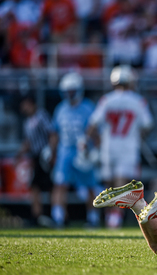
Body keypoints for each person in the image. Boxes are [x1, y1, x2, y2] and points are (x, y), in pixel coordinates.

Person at [86, 65, 154, 228]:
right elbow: (147, 125)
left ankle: (111, 217)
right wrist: (139, 135)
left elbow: (93, 125)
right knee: (121, 185)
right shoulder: (138, 101)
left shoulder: (107, 99)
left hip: (109, 146)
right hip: (128, 147)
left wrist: (91, 141)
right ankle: (115, 218)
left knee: (109, 185)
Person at [50, 72, 99, 228]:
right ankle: (58, 218)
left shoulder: (87, 107)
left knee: (89, 185)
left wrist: (96, 149)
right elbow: (55, 132)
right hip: (65, 150)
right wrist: (51, 150)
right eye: (67, 91)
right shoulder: (60, 109)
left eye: (72, 91)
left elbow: (95, 130)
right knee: (60, 184)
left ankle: (93, 218)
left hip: (82, 151)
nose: (70, 95)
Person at [16, 95, 53, 227]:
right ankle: (37, 215)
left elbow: (52, 133)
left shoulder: (41, 116)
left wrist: (52, 152)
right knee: (35, 186)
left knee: (50, 186)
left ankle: (54, 215)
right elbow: (28, 142)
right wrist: (19, 154)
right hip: (35, 156)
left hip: (45, 155)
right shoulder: (28, 121)